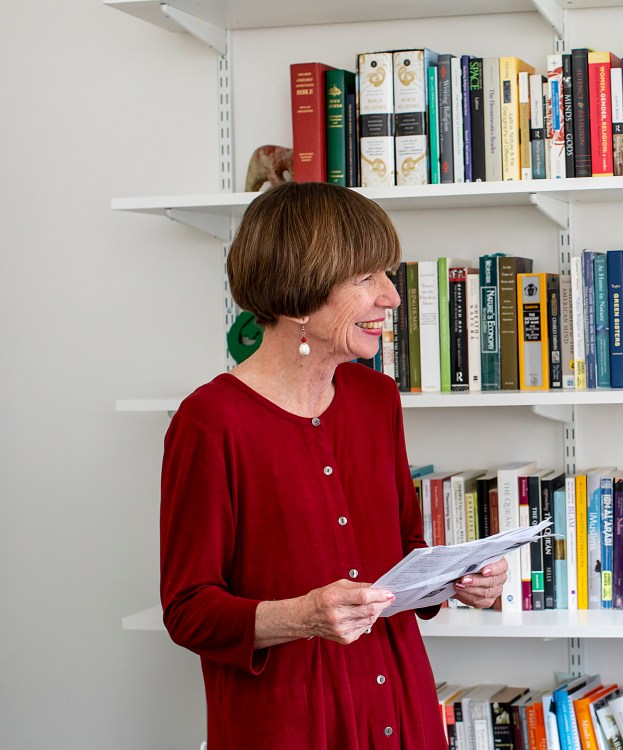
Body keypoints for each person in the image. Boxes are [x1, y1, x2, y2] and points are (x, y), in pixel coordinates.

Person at [159, 181, 508, 748]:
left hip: (399, 703)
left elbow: (401, 549)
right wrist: (302, 616)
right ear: (299, 292)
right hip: (290, 723)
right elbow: (188, 611)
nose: (392, 298)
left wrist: (454, 580)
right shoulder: (211, 421)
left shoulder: (376, 399)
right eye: (366, 278)